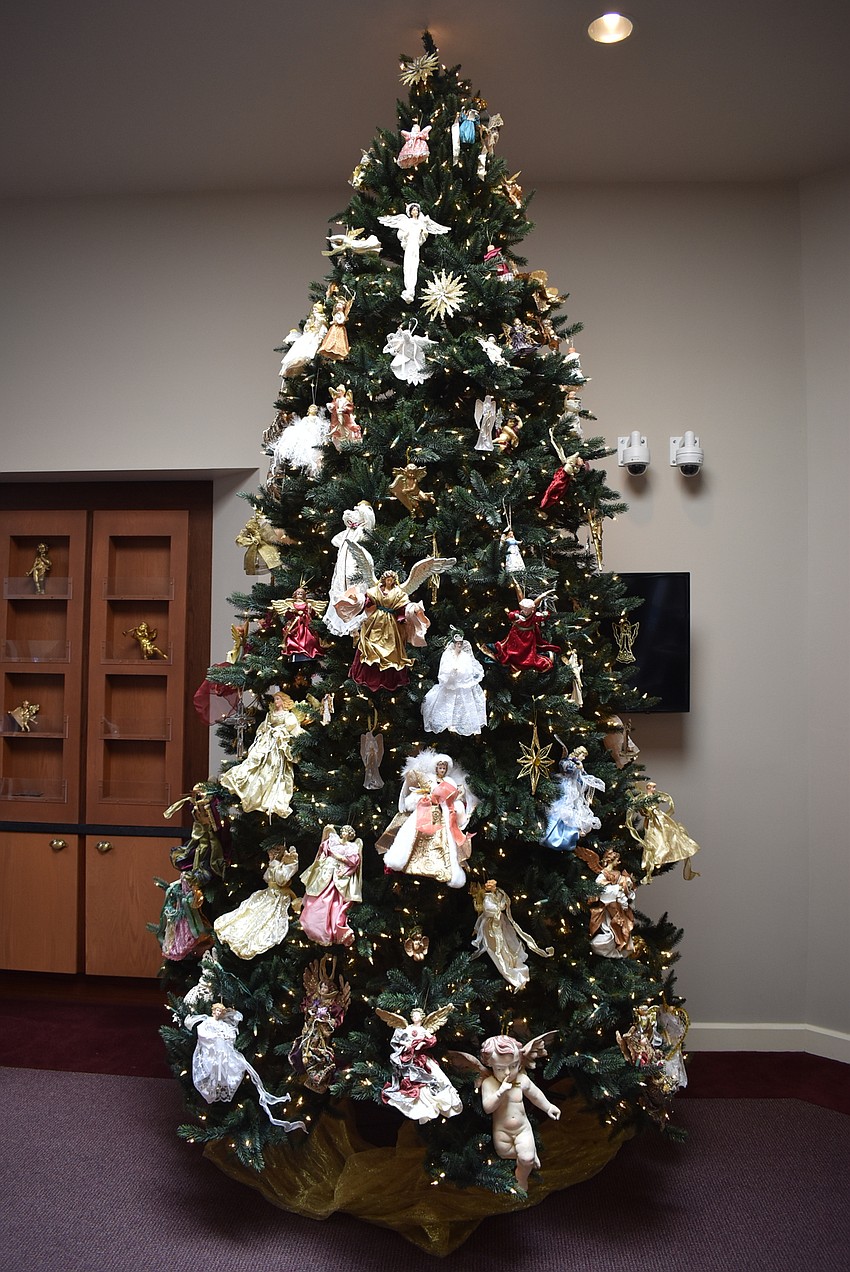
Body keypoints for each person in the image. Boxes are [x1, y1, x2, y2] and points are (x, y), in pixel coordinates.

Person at [478, 1035, 561, 1191]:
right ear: (490, 1065)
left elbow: (535, 1095)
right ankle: (529, 1153)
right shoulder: (490, 1083)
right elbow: (488, 1108)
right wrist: (500, 1092)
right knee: (504, 1153)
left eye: (514, 1065)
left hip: (522, 1128)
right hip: (502, 1132)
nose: (508, 1072)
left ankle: (521, 1177)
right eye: (500, 1068)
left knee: (526, 1158)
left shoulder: (521, 1080)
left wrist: (549, 1107)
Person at [380, 753, 472, 888]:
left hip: (442, 816)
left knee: (444, 843)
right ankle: (402, 860)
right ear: (435, 768)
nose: (441, 770)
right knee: (411, 836)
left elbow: (454, 800)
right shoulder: (428, 779)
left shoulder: (450, 782)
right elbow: (413, 796)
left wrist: (454, 808)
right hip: (424, 813)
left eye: (444, 768)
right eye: (440, 768)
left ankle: (444, 868)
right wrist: (423, 799)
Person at [299, 825, 362, 947]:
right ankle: (312, 921)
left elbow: (354, 863)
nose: (344, 834)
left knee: (333, 901)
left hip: (337, 876)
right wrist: (322, 860)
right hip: (325, 873)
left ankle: (329, 927)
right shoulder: (332, 841)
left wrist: (343, 865)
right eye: (343, 831)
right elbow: (323, 852)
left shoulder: (352, 847)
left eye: (348, 833)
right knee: (318, 895)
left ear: (350, 836)